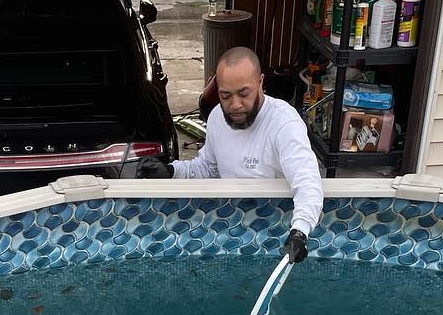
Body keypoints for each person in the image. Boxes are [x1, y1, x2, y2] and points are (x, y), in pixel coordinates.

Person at [138, 47, 324, 265]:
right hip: (230, 231)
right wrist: (171, 171)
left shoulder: (284, 124)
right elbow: (208, 168)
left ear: (261, 82)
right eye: (225, 96)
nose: (235, 105)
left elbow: (308, 183)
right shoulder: (217, 117)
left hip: (277, 234)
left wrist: (299, 232)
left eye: (244, 94)